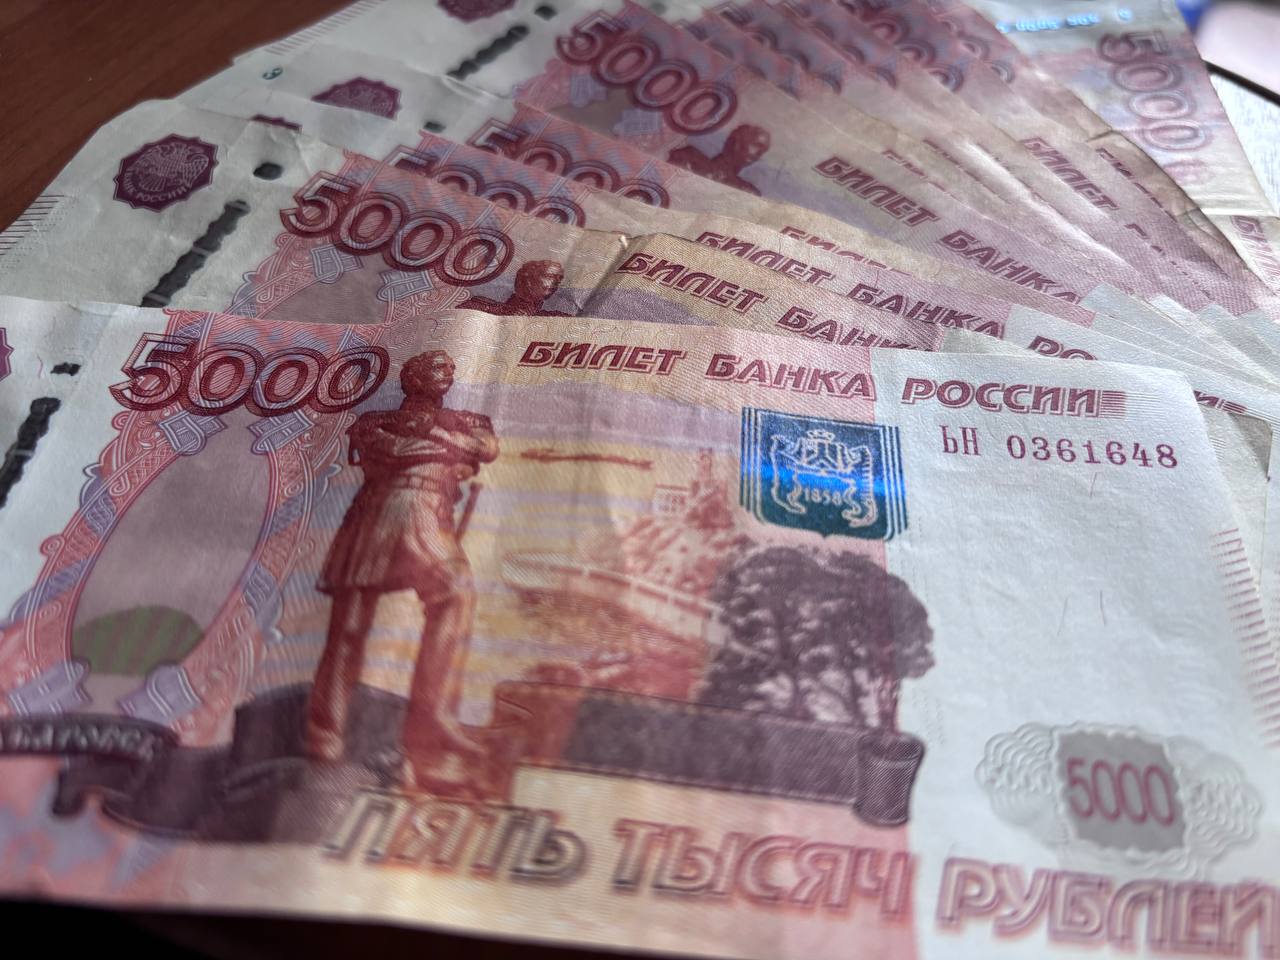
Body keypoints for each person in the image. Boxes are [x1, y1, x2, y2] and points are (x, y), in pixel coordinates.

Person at [306, 350, 498, 771]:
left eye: (450, 367)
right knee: (350, 624)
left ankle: (433, 716)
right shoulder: (374, 420)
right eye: (437, 367)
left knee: (455, 594)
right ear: (413, 377)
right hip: (380, 510)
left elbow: (485, 449)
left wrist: (433, 436)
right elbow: (385, 449)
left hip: (431, 514)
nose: (447, 372)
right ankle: (325, 731)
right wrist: (445, 448)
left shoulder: (468, 419)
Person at [666, 125, 771, 196]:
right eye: (757, 145)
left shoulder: (748, 191)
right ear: (736, 143)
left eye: (763, 150)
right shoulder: (686, 157)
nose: (759, 153)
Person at [457, 259, 570, 316]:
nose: (556, 282)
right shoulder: (477, 306)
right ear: (530, 279)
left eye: (559, 279)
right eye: (550, 276)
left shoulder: (556, 318)